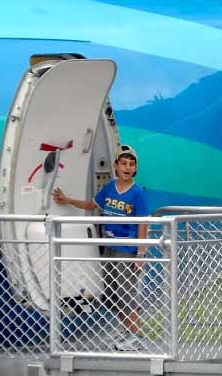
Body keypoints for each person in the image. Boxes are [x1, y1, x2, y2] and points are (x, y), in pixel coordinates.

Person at [52, 144, 149, 351]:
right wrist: (66, 200)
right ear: (116, 166)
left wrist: (141, 253)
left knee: (126, 293)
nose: (127, 168)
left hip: (126, 249)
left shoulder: (137, 193)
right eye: (124, 163)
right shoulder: (109, 189)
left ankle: (136, 335)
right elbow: (91, 205)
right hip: (108, 246)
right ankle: (128, 331)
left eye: (131, 165)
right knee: (112, 295)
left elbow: (143, 222)